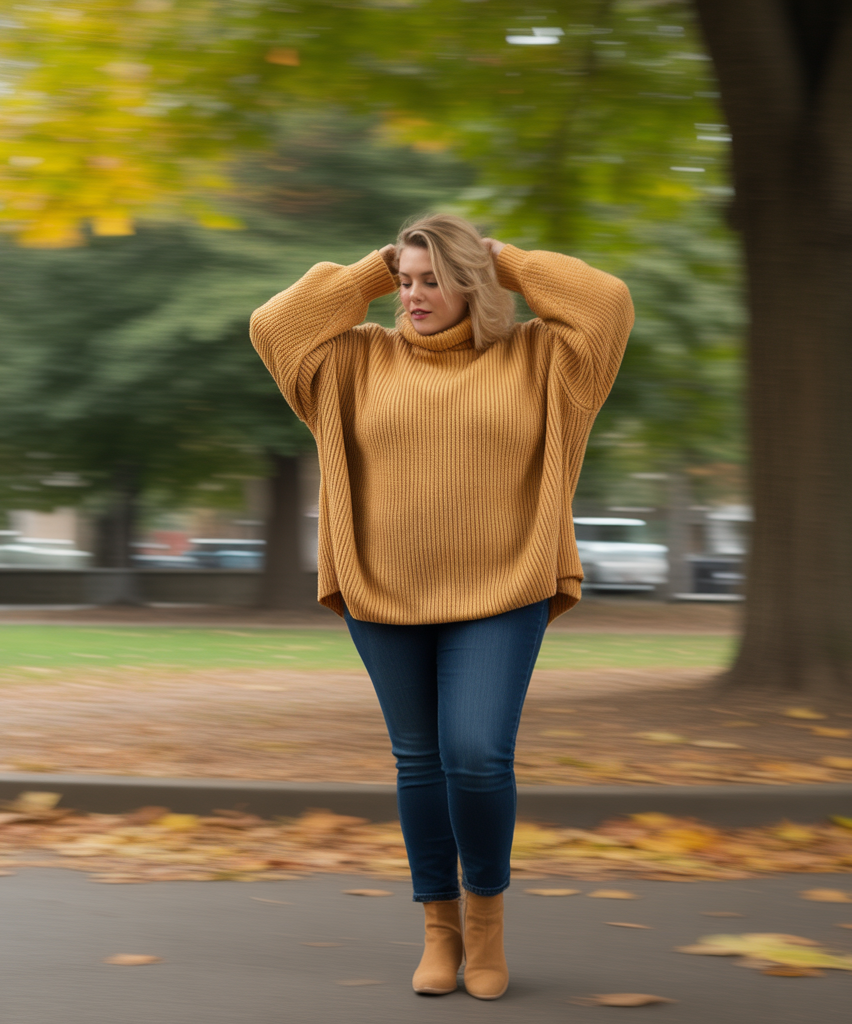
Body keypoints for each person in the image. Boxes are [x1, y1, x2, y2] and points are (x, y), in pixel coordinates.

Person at [250, 213, 633, 999]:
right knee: (419, 760)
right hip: (383, 590)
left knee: (477, 753)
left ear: (474, 285)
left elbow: (607, 304)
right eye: (407, 283)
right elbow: (274, 324)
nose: (413, 295)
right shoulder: (352, 362)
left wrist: (506, 259)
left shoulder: (547, 359)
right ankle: (440, 929)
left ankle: (487, 922)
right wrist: (374, 267)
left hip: (505, 588)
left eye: (434, 279)